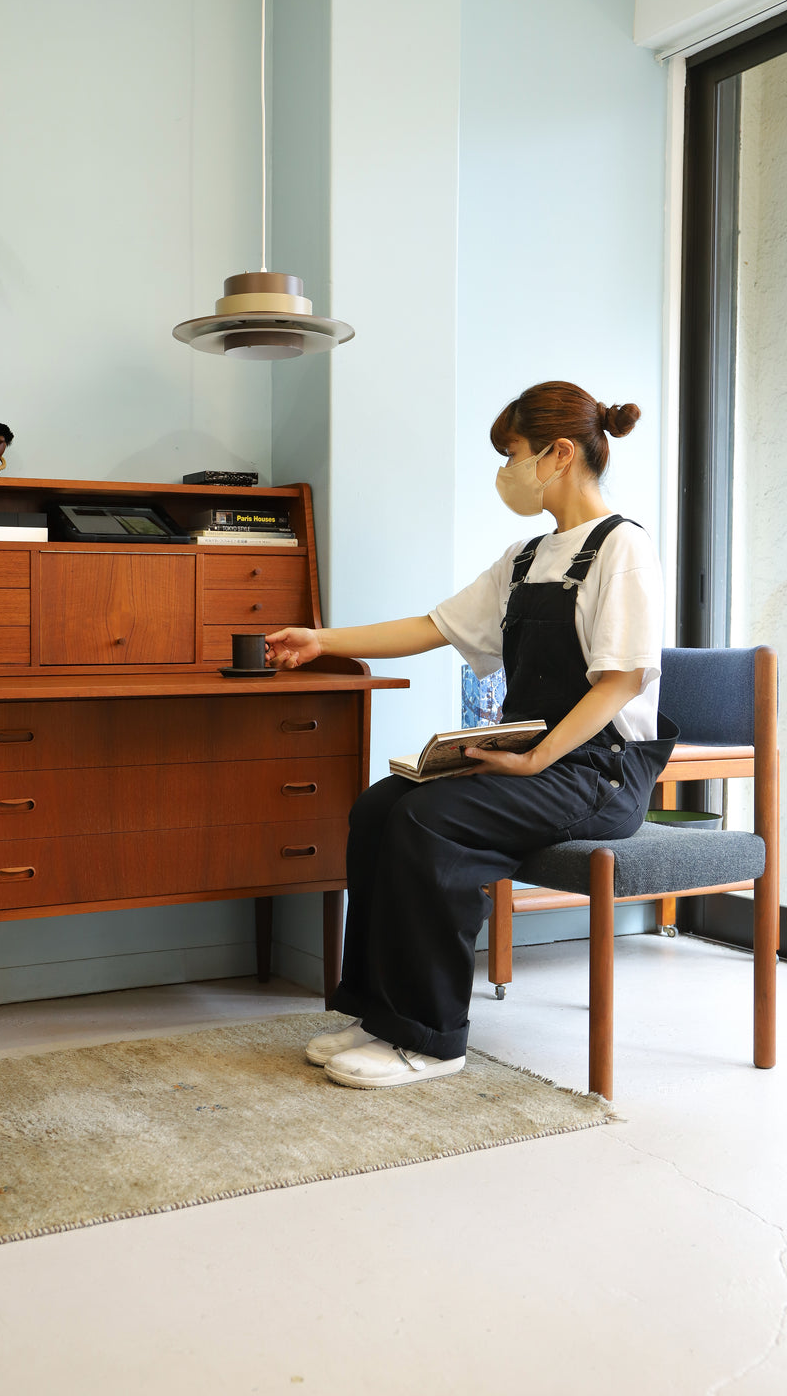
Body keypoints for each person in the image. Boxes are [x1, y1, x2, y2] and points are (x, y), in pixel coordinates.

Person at [265, 380, 677, 1091]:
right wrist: (321, 640)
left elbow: (620, 683)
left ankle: (430, 1038)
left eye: (511, 454)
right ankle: (377, 1013)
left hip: (600, 772)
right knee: (380, 805)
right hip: (537, 760)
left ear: (558, 454)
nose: (505, 471)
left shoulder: (623, 549)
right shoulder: (526, 557)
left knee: (431, 819)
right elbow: (433, 626)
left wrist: (536, 758)